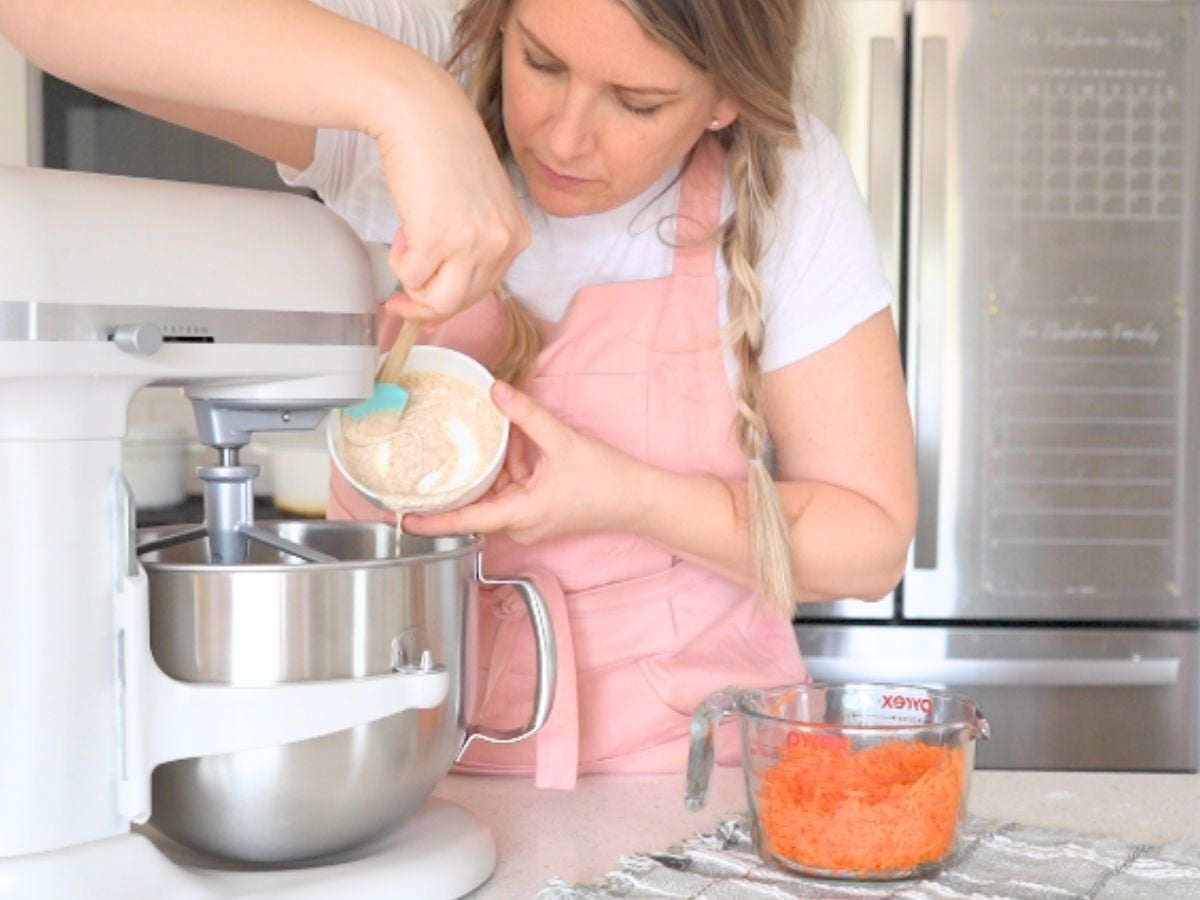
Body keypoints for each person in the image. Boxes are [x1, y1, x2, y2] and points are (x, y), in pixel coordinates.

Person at [0, 0, 917, 788]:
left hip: (681, 786)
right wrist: (405, 97)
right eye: (540, 61)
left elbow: (869, 542)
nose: (562, 136)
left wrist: (624, 496)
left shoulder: (787, 182)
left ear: (723, 100)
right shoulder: (411, 73)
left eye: (638, 103)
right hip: (386, 774)